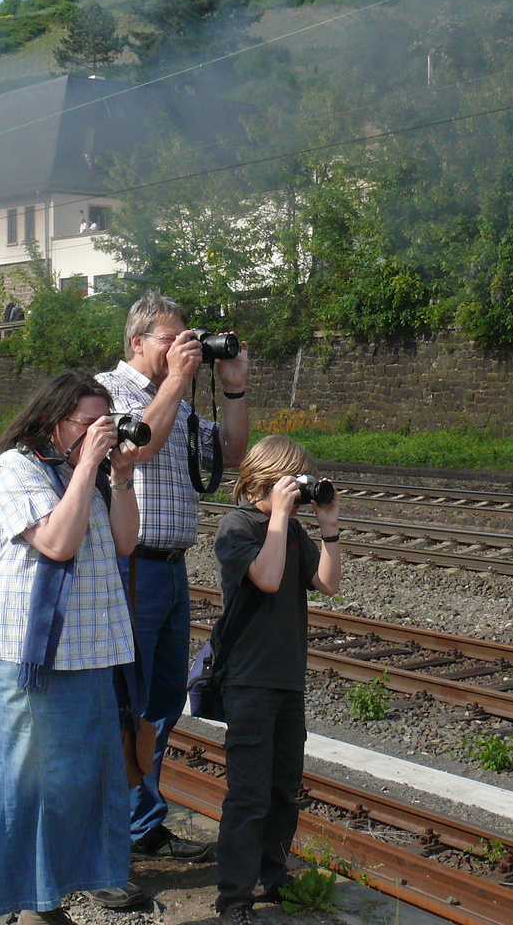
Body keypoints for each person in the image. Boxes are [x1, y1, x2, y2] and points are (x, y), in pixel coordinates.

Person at [0, 372, 142, 925]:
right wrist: (89, 464)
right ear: (52, 420)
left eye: (101, 425)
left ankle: (45, 900)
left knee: (70, 788)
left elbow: (126, 542)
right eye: (86, 424)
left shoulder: (80, 473)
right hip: (26, 657)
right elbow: (58, 543)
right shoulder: (13, 468)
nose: (96, 434)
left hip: (84, 652)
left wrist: (124, 477)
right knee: (15, 790)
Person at [95, 293, 249, 884]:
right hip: (127, 569)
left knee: (161, 704)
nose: (183, 346)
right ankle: (120, 830)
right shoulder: (106, 392)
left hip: (172, 568)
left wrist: (231, 387)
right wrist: (179, 381)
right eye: (169, 338)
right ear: (136, 343)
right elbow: (137, 448)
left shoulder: (178, 398)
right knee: (123, 702)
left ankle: (143, 825)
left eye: (189, 338)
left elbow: (233, 455)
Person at [212, 436, 342, 925]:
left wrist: (328, 530)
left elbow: (327, 583)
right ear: (269, 477)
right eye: (296, 480)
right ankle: (234, 898)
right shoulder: (238, 526)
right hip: (247, 678)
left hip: (287, 676)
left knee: (284, 787)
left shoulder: (289, 531)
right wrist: (281, 518)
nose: (302, 491)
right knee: (248, 793)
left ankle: (273, 873)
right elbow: (266, 578)